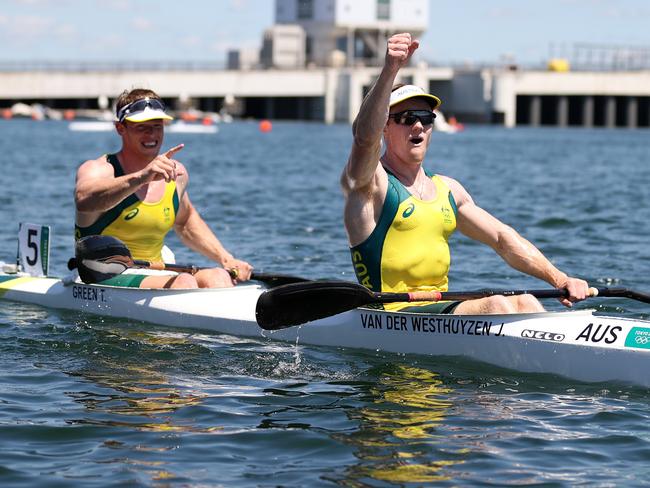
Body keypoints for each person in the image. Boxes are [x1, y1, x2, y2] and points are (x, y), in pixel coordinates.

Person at [340, 33, 589, 314]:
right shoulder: (371, 184)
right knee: (495, 306)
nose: (419, 127)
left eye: (426, 119)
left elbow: (502, 239)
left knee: (526, 302)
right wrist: (390, 70)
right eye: (408, 118)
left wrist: (560, 278)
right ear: (385, 127)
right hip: (390, 312)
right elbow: (363, 139)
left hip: (439, 310)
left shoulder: (449, 190)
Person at [74, 88, 252, 289]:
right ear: (120, 128)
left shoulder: (176, 174)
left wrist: (225, 258)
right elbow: (84, 200)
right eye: (142, 127)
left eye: (157, 126)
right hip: (100, 273)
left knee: (218, 277)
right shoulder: (99, 169)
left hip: (153, 271)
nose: (151, 134)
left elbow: (185, 222)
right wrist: (142, 177)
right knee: (184, 281)